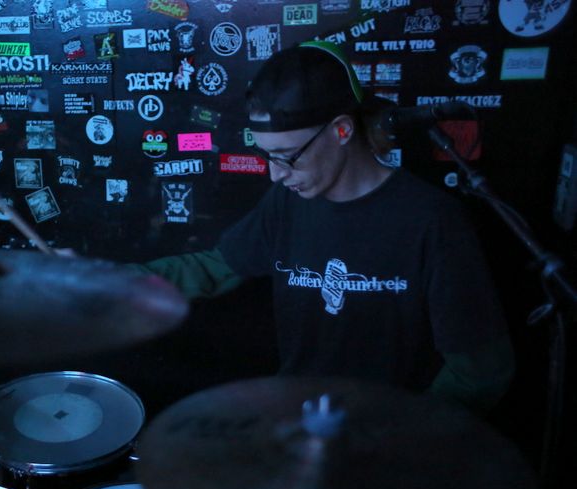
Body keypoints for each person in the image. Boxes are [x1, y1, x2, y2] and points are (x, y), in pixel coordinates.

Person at [134, 41, 514, 414]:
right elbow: (214, 269)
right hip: (297, 421)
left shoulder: (431, 220)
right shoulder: (286, 203)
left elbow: (480, 371)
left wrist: (406, 431)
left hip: (389, 435)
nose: (276, 175)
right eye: (267, 156)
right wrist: (112, 281)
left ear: (342, 130)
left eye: (288, 157)